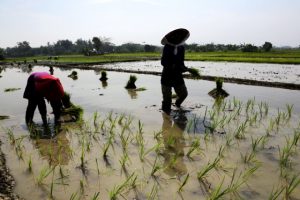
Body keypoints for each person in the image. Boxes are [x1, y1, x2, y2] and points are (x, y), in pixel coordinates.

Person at [160, 28, 190, 114]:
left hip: (177, 76)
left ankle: (177, 104)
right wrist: (172, 65)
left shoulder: (181, 48)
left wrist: (184, 68)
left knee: (184, 94)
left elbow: (181, 62)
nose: (178, 38)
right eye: (176, 37)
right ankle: (166, 118)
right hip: (167, 75)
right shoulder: (167, 47)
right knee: (167, 99)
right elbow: (163, 62)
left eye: (180, 37)